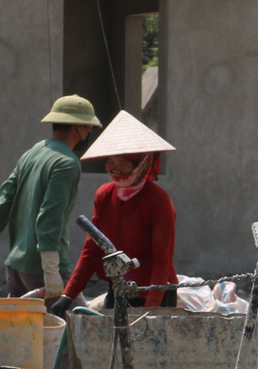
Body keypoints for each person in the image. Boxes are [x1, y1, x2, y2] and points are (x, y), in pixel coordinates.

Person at [0, 95, 102, 299]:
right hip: (42, 269)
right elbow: (50, 217)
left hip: (16, 267)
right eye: (88, 127)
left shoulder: (34, 152)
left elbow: (3, 200)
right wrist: (51, 271)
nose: (89, 132)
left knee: (23, 330)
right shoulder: (66, 163)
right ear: (78, 127)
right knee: (78, 325)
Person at [59, 111, 177, 311]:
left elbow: (162, 261)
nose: (116, 171)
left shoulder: (158, 201)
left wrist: (151, 311)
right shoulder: (104, 196)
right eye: (111, 163)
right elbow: (92, 250)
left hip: (156, 292)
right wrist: (67, 295)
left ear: (142, 164)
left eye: (124, 164)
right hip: (119, 287)